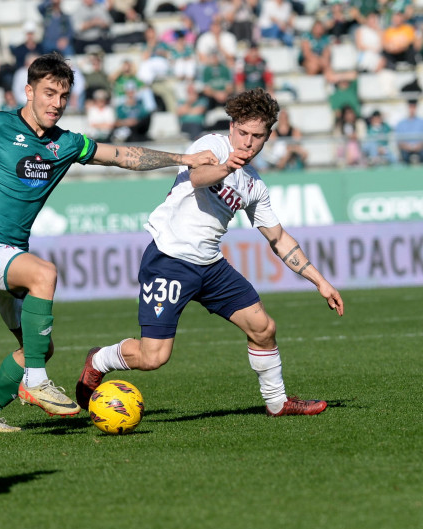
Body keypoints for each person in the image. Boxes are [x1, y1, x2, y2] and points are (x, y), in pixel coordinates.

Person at [0, 52, 217, 433]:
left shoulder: (66, 144)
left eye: (63, 96)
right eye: (48, 93)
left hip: (11, 256)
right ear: (29, 91)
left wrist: (184, 157)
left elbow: (122, 155)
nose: (56, 103)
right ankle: (36, 384)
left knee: (37, 349)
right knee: (45, 274)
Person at [75, 88, 344, 417]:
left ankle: (277, 403)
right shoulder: (212, 147)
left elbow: (279, 239)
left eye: (256, 136)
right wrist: (226, 167)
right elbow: (198, 177)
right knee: (153, 358)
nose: (246, 142)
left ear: (267, 137)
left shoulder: (254, 185)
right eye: (242, 132)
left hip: (211, 266)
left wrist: (321, 282)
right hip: (169, 260)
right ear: (232, 127)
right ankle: (98, 360)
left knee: (263, 328)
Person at [394, 98, 423, 164]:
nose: (412, 109)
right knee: (404, 155)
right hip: (406, 150)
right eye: (410, 106)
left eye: (414, 107)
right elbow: (399, 142)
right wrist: (408, 147)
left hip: (421, 149)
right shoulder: (400, 123)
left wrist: (419, 146)